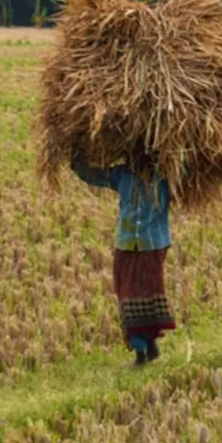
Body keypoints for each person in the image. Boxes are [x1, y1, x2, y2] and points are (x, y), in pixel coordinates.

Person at [71, 156, 176, 365]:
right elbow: (94, 175)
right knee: (127, 296)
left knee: (149, 295)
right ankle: (146, 347)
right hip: (126, 245)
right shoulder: (123, 175)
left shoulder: (165, 177)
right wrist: (76, 160)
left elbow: (191, 176)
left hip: (152, 245)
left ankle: (144, 352)